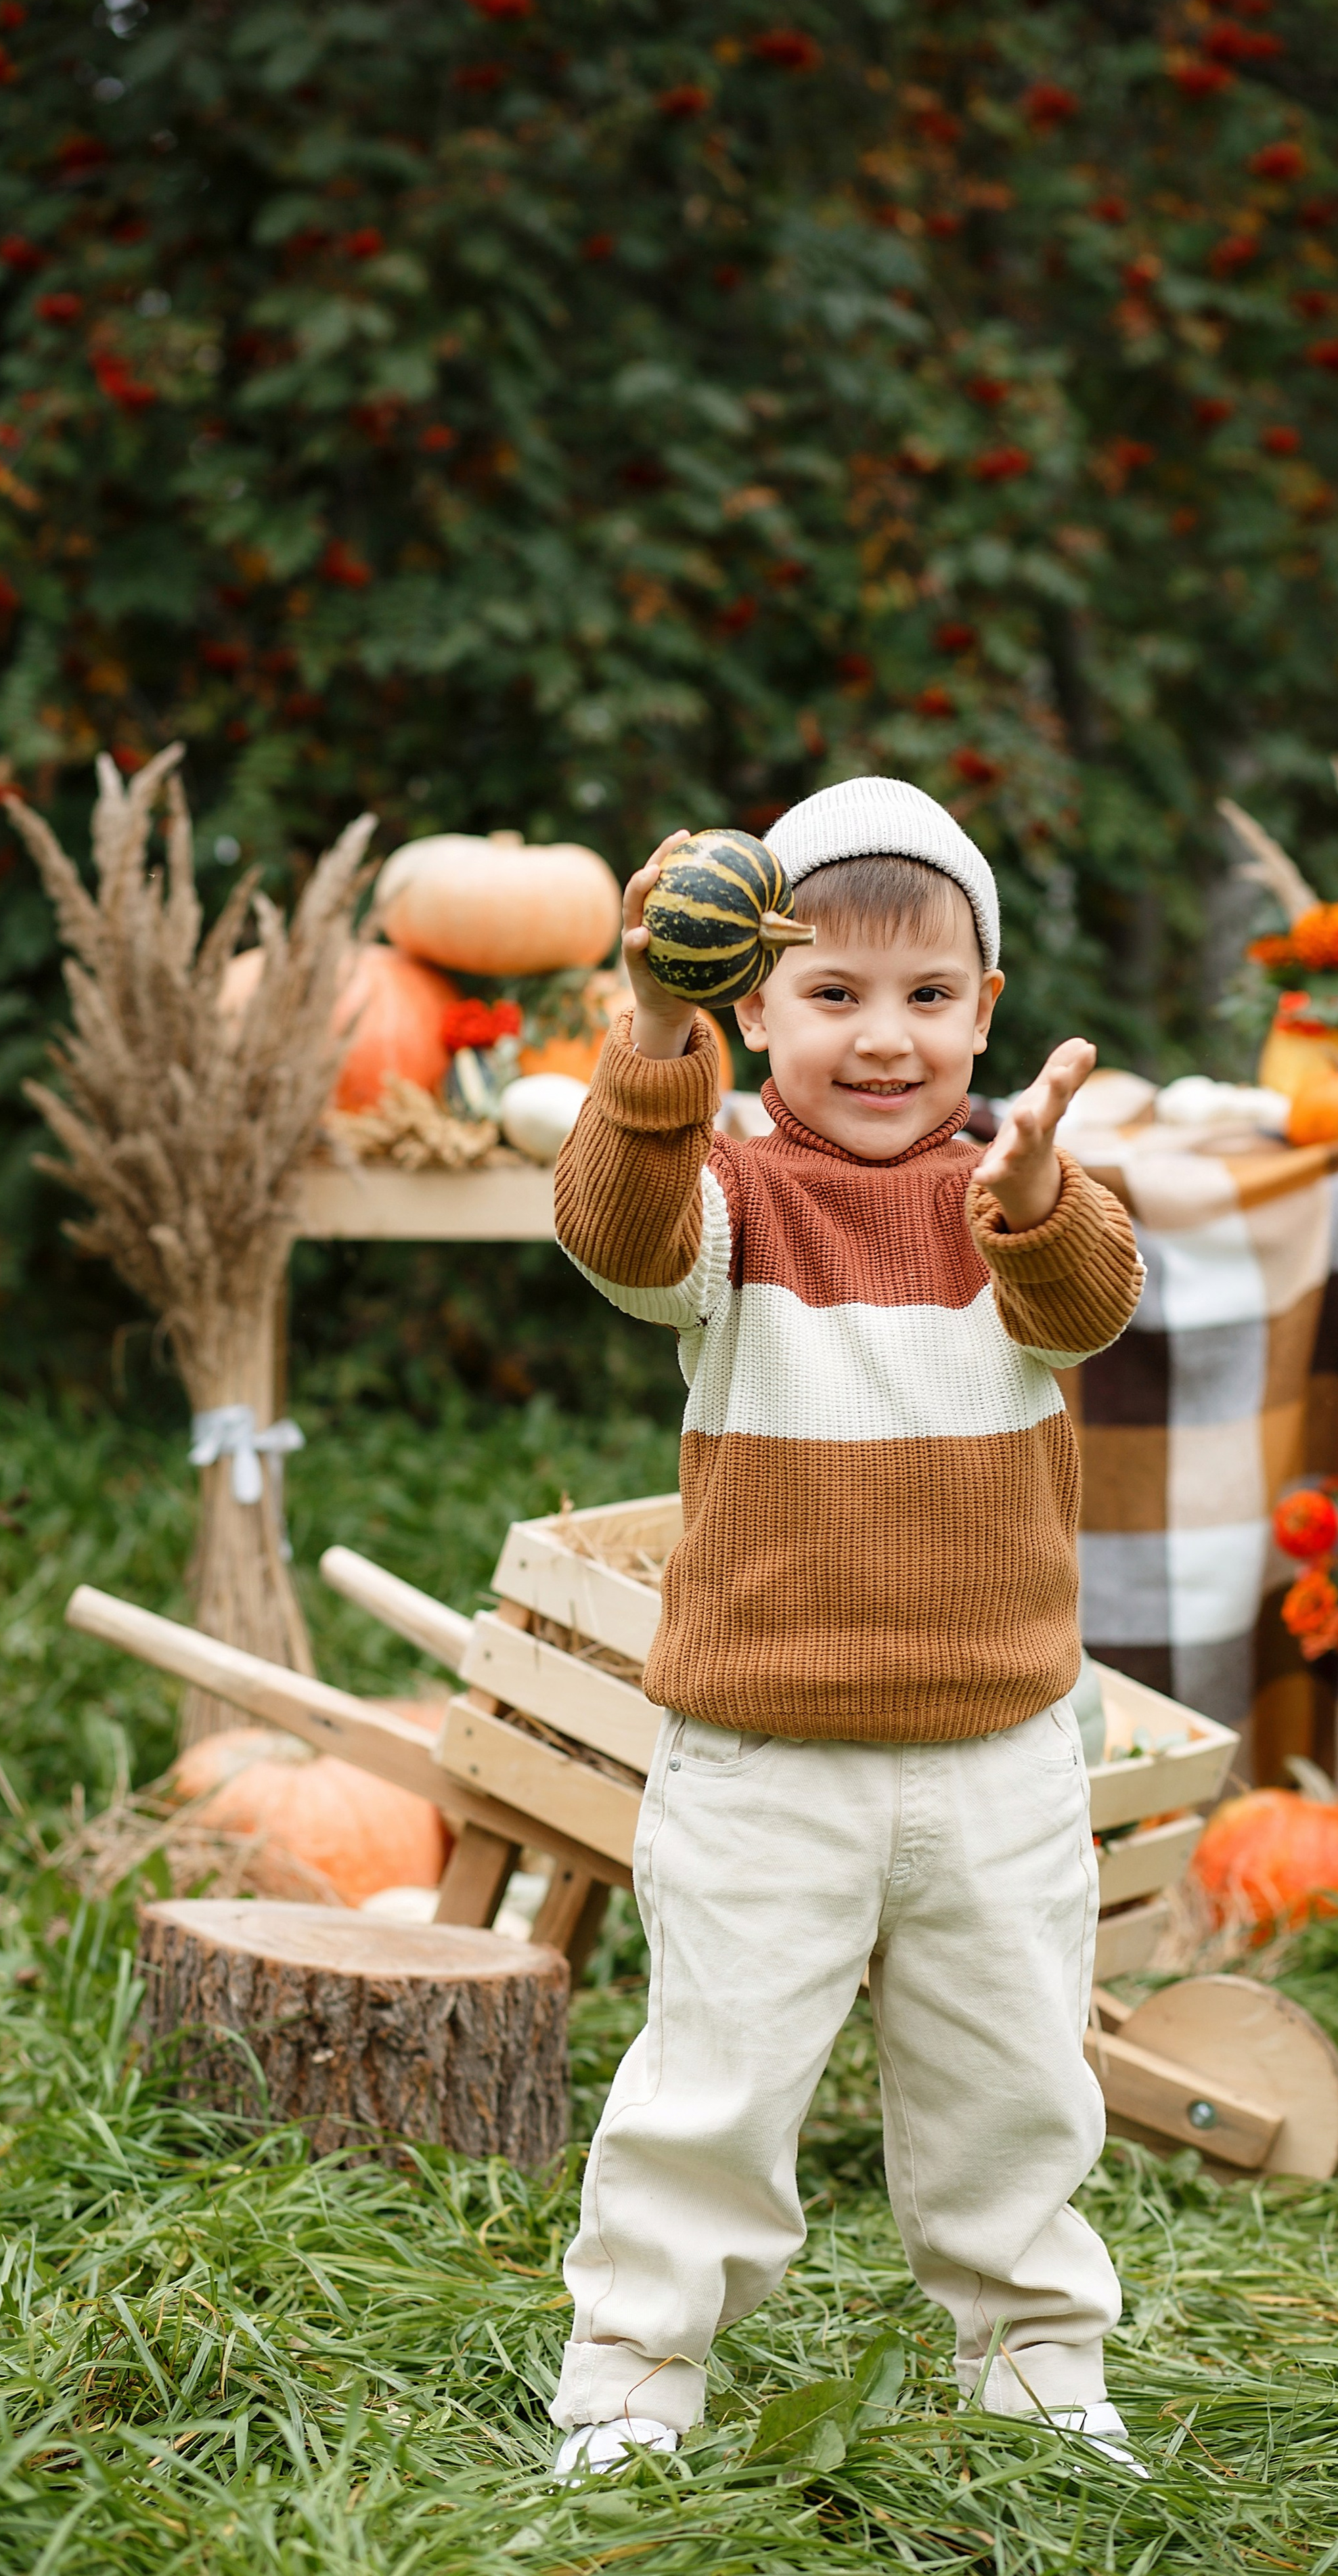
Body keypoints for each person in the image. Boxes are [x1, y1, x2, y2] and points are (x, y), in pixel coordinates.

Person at [548, 775, 1146, 2479]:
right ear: (756, 1004)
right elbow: (615, 1231)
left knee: (1013, 2082)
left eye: (927, 998)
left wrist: (1031, 1188)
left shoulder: (1019, 1195)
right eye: (832, 995)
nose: (883, 1041)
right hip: (762, 1754)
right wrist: (651, 1024)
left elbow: (1088, 1303)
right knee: (712, 2087)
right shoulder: (731, 1202)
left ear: (986, 1011)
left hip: (996, 1754)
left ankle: (1034, 2353)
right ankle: (636, 2367)